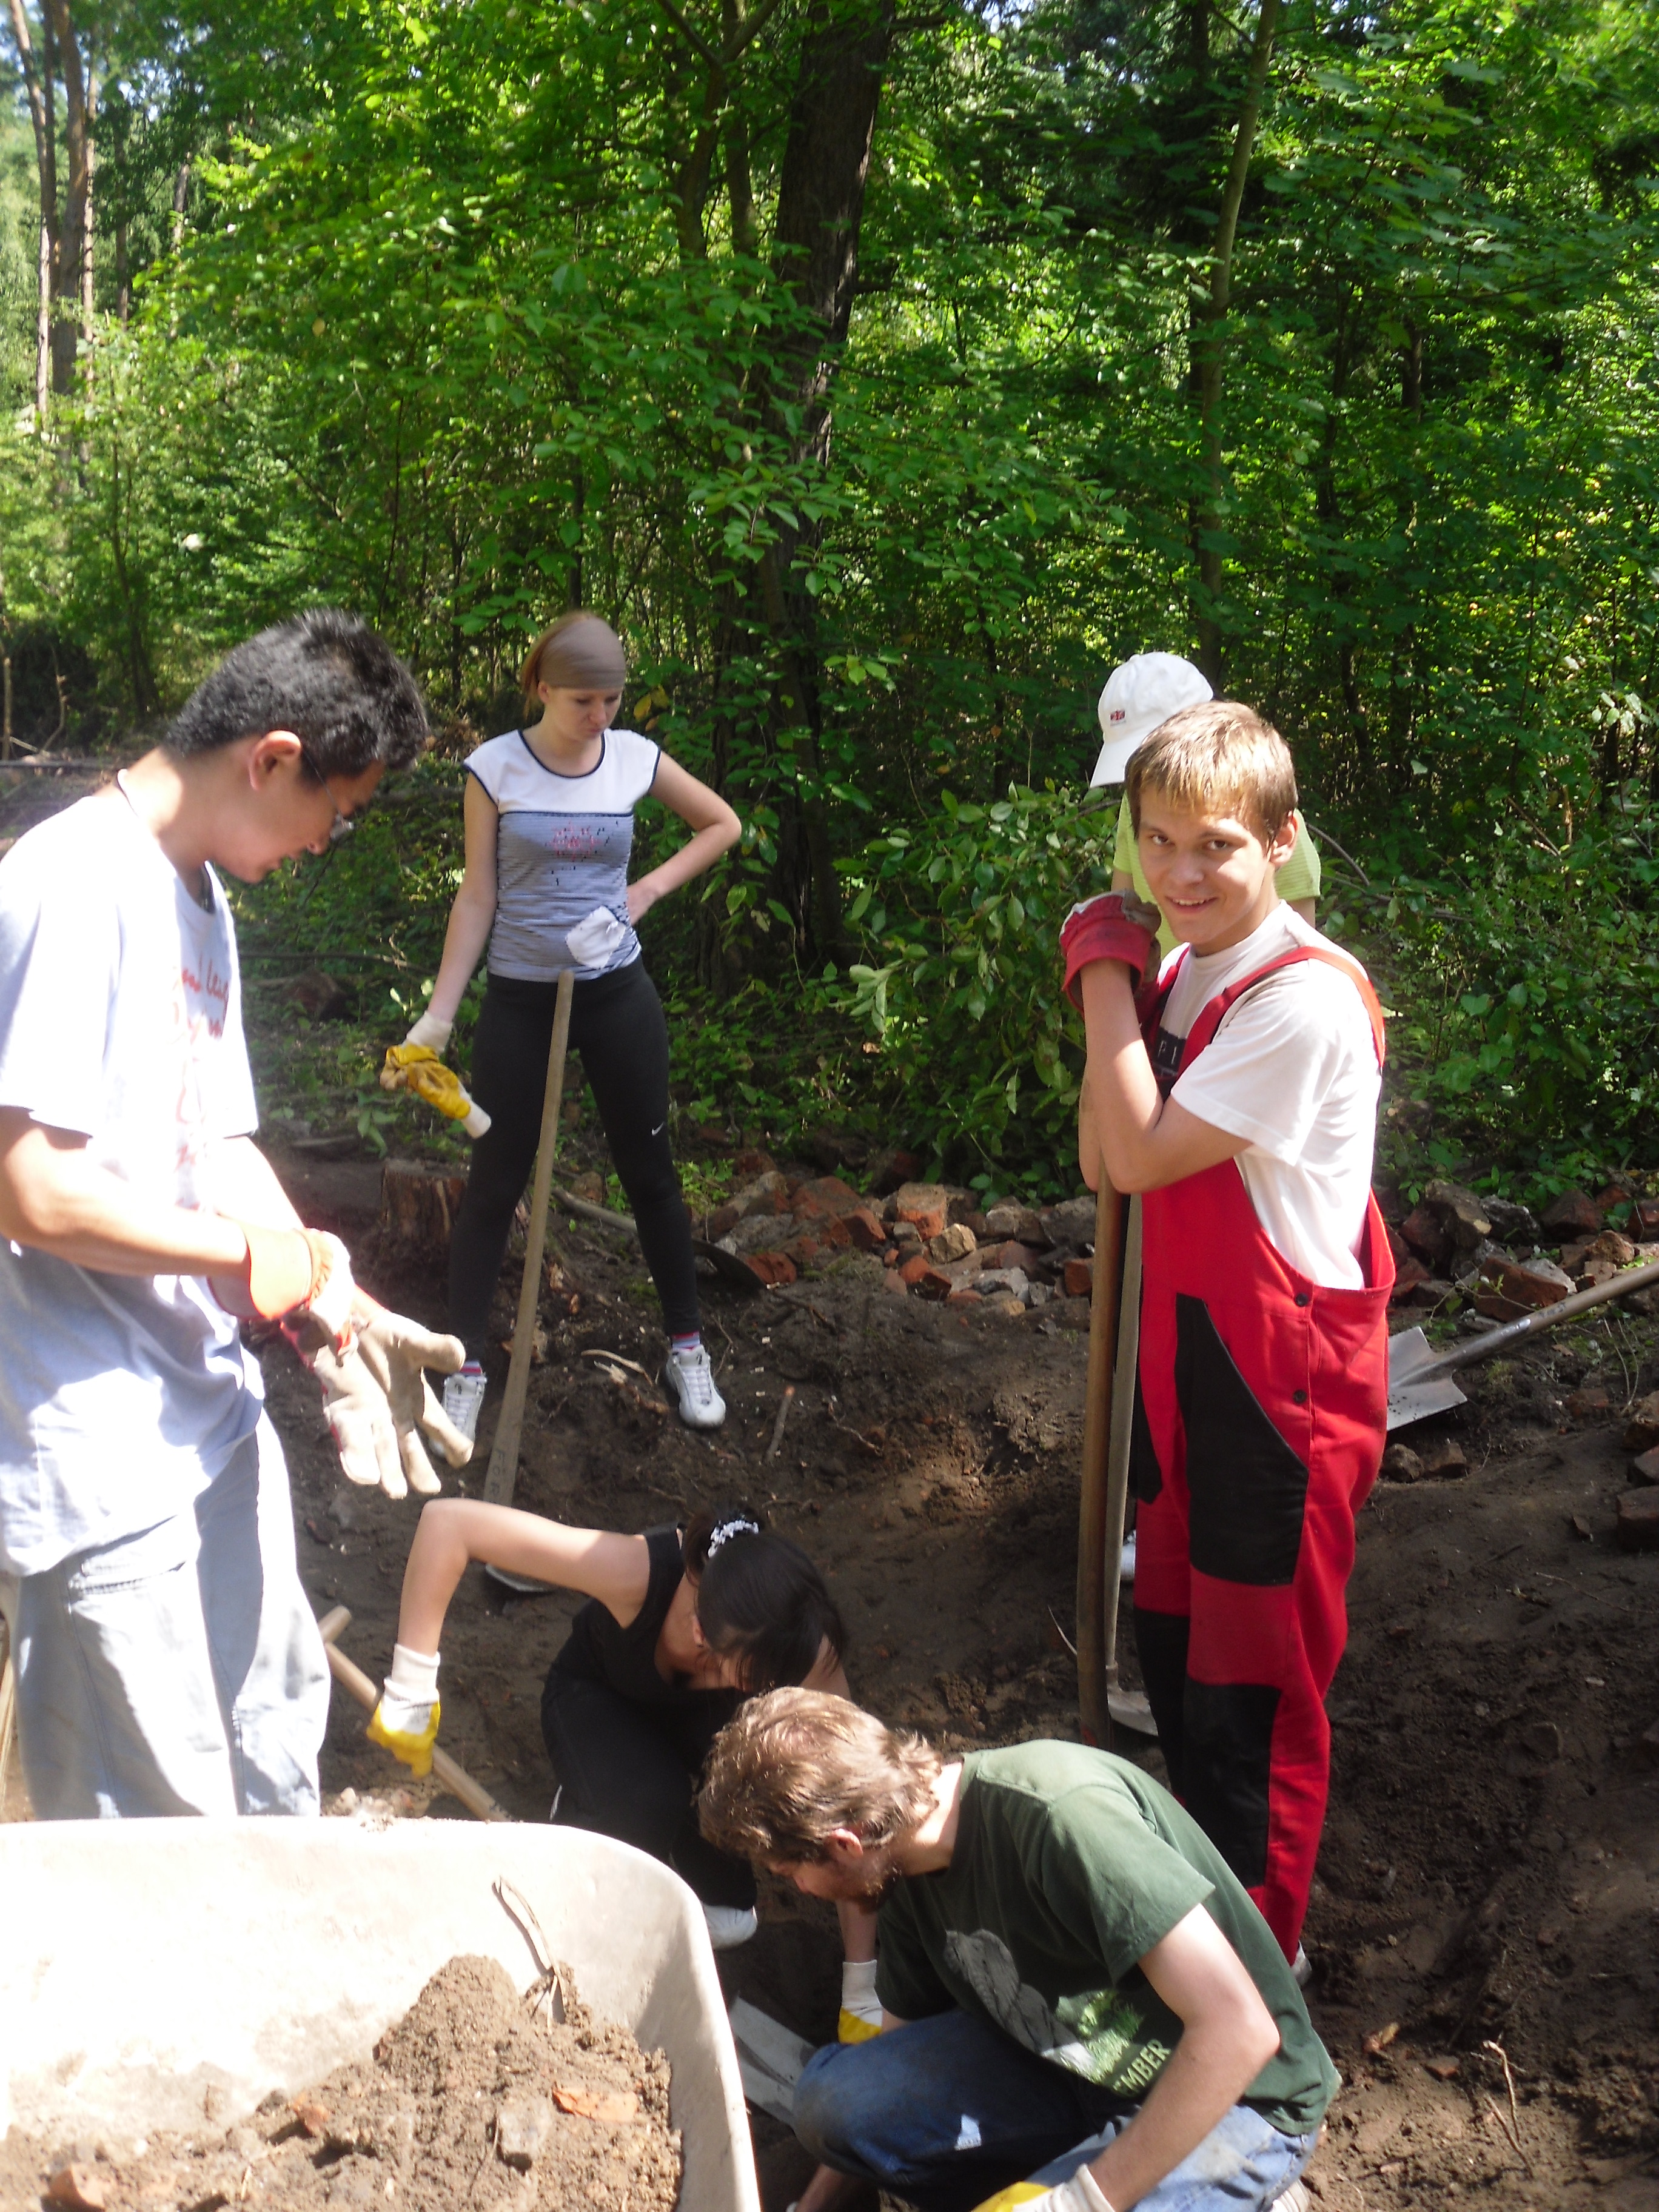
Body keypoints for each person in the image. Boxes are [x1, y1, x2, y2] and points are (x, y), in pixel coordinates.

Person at [0, 611, 472, 1821]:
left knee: (269, 1768)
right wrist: (256, 1257)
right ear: (270, 758)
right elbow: (34, 1190)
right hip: (100, 1458)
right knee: (157, 1837)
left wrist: (331, 1301)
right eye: (339, 810)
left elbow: (216, 1142)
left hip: (210, 1418)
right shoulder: (69, 887)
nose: (328, 841)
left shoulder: (198, 901)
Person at [1062, 700, 1392, 1969]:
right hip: (1188, 1360)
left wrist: (1100, 976)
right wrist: (1128, 995)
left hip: (1279, 1387)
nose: (1180, 875)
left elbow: (1137, 1150)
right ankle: (1187, 1928)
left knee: (1257, 1687)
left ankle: (1265, 1969)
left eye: (1214, 846)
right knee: (1183, 1649)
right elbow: (1110, 1156)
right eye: (1156, 843)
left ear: (1280, 840)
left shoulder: (1297, 998)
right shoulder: (1188, 969)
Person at [698, 1689, 1336, 2212]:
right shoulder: (905, 1869)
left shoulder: (1061, 1818)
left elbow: (1241, 2031)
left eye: (789, 1874)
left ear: (844, 1844)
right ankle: (1085, 2164)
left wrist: (1082, 2200)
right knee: (832, 2104)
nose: (801, 1890)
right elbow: (888, 2072)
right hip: (1071, 2070)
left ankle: (1243, 2190)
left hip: (1240, 2100)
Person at [406, 611, 741, 1435]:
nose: (602, 718)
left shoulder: (632, 758)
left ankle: (687, 1348)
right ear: (542, 688)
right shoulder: (494, 768)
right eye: (585, 701)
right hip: (522, 1000)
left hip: (616, 993)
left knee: (652, 1172)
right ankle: (466, 1367)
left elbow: (722, 824)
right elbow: (477, 894)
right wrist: (439, 1017)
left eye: (613, 701)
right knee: (493, 1184)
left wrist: (646, 892)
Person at [367, 1501, 880, 2016]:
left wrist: (862, 1983)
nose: (761, 1687)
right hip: (597, 1698)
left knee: (729, 1912)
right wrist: (411, 1686)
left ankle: (670, 1832)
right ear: (702, 1632)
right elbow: (449, 1524)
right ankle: (586, 1807)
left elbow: (849, 1798)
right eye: (749, 1677)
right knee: (643, 1804)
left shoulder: (798, 1648)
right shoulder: (639, 1574)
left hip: (704, 1735)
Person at [1093, 654, 1321, 956]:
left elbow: (1295, 944)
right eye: (1161, 839)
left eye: (1216, 843)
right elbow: (1124, 906)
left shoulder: (1259, 821)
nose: (1183, 875)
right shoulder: (1134, 805)